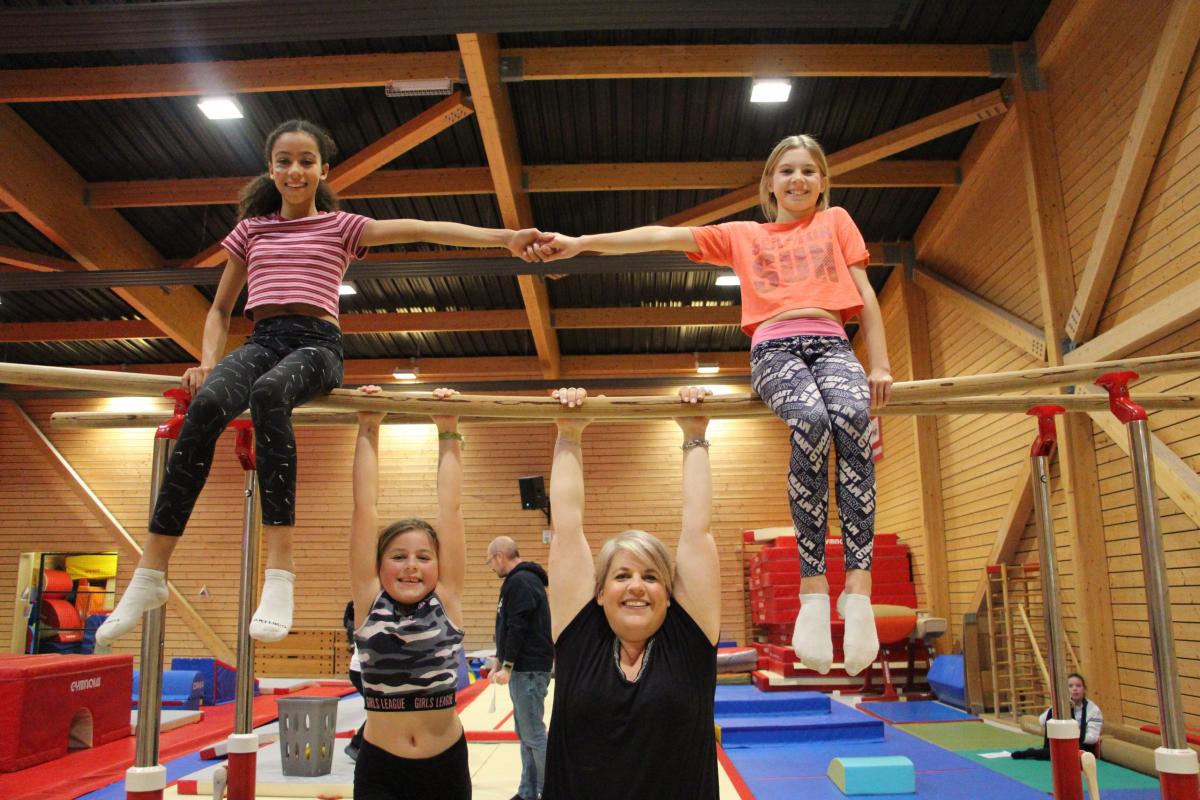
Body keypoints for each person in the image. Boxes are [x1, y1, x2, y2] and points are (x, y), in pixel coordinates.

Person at [96, 118, 546, 647]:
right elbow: (218, 310)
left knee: (268, 394)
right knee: (209, 404)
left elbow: (421, 227)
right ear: (270, 169)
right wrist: (207, 362)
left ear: (323, 170)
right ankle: (151, 573)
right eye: (284, 161)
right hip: (263, 340)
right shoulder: (251, 231)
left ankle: (280, 571)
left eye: (306, 161)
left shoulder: (339, 227)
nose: (295, 170)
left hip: (317, 346)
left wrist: (505, 238)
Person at [528, 134, 891, 676]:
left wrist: (879, 363)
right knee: (813, 421)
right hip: (775, 348)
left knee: (853, 418)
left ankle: (857, 591)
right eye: (787, 171)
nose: (798, 180)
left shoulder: (836, 222)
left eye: (809, 171)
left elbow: (865, 292)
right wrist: (582, 243)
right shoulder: (744, 235)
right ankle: (814, 590)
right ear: (770, 183)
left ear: (822, 182)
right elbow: (660, 235)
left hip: (834, 343)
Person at [542, 386, 720, 799]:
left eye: (651, 577)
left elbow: (697, 530)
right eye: (622, 576)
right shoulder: (579, 635)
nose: (637, 586)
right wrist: (568, 432)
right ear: (600, 592)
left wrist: (694, 432)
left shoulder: (689, 641)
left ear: (669, 594)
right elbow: (566, 528)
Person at [350, 385, 470, 799]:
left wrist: (448, 429)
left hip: (445, 765)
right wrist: (368, 427)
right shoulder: (370, 600)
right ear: (378, 564)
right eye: (398, 556)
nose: (411, 566)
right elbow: (364, 508)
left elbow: (451, 509)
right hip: (381, 767)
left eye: (423, 557)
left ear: (439, 564)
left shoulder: (446, 600)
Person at [486, 536, 553, 800]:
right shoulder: (518, 581)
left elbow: (519, 626)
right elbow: (507, 626)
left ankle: (550, 789)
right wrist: (499, 658)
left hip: (528, 668)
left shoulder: (521, 582)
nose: (491, 567)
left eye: (490, 561)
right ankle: (528, 791)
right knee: (525, 733)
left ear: (500, 556)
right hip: (524, 668)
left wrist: (508, 666)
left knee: (533, 734)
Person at [1012, 673, 1104, 760]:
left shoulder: (1093, 710)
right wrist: (1057, 706)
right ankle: (1032, 752)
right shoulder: (1062, 705)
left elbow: (1092, 738)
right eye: (1070, 686)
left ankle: (1031, 752)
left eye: (1078, 686)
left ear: (1084, 689)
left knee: (1061, 753)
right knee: (1052, 714)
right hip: (1063, 742)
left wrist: (1072, 733)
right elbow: (1042, 721)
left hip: (1082, 746)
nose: (1075, 689)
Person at [341, 599, 365, 761]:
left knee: (383, 710)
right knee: (382, 710)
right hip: (361, 672)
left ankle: (357, 745)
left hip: (364, 670)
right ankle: (356, 745)